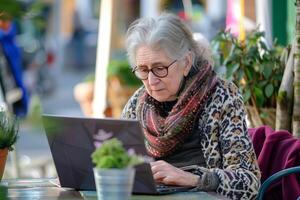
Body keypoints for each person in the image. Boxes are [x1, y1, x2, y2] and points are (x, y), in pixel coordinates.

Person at [121, 13, 261, 199]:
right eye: (143, 70)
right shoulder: (138, 103)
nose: (151, 81)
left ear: (186, 63)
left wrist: (193, 179)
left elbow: (248, 183)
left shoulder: (221, 97)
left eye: (160, 68)